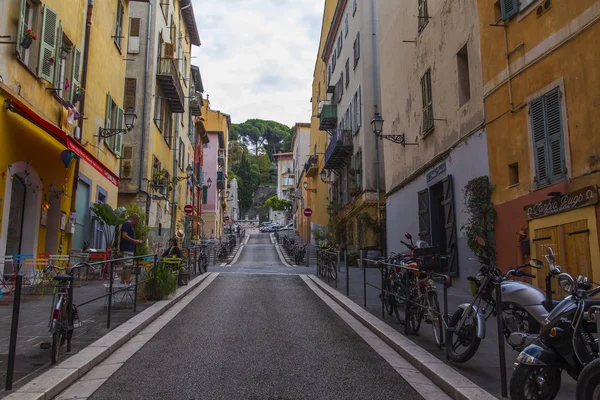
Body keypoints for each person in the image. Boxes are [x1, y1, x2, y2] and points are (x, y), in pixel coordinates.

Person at [118, 213, 142, 284]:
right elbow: (124, 236)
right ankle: (127, 282)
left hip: (127, 248)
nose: (136, 223)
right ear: (134, 219)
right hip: (127, 249)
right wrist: (135, 241)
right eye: (137, 221)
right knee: (128, 267)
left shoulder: (128, 225)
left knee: (125, 266)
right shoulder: (128, 224)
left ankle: (123, 282)